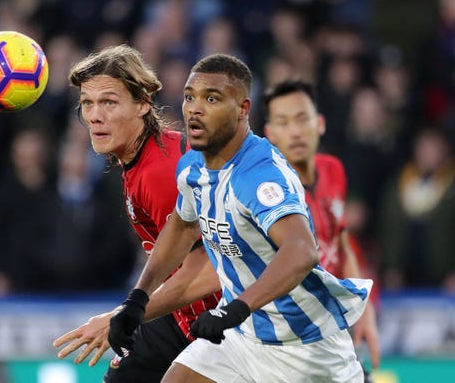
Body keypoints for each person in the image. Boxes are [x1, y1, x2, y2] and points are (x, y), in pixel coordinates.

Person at [108, 54, 372, 383]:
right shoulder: (192, 167)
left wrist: (235, 309)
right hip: (241, 339)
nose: (195, 109)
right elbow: (182, 226)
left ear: (243, 109)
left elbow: (302, 251)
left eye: (212, 98)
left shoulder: (260, 175)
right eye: (190, 97)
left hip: (306, 348)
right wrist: (138, 299)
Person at [52, 44, 221, 382]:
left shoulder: (161, 174)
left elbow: (214, 270)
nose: (95, 116)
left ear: (143, 103)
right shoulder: (141, 160)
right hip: (182, 316)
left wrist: (124, 315)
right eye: (88, 103)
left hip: (226, 324)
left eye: (109, 102)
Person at [262, 79, 381, 377]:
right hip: (288, 337)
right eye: (284, 122)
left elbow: (342, 244)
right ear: (270, 133)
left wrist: (364, 312)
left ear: (320, 124)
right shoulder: (267, 192)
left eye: (302, 119)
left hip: (333, 328)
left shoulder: (332, 170)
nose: (296, 131)